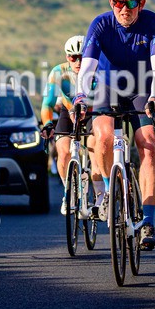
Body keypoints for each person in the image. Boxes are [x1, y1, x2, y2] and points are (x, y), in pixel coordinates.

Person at [73, 0, 155, 250]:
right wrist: (80, 95)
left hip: (142, 89)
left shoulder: (154, 23)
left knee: (148, 143)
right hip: (106, 87)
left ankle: (147, 221)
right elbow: (88, 66)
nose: (123, 9)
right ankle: (107, 191)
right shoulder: (101, 24)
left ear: (142, 2)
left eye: (129, 3)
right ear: (111, 3)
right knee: (102, 137)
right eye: (117, 3)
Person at [39, 36, 102, 216]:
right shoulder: (58, 72)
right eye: (73, 57)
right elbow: (47, 104)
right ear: (67, 57)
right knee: (63, 149)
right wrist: (48, 124)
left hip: (92, 111)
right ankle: (69, 192)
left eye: (82, 56)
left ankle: (100, 195)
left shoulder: (96, 71)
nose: (78, 61)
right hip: (69, 111)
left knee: (94, 147)